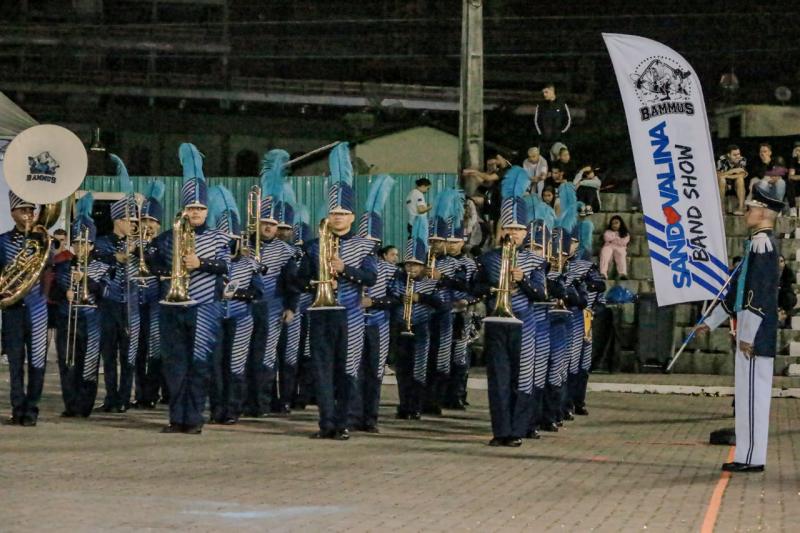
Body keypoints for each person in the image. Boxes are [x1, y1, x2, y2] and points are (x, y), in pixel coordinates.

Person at [695, 184, 783, 472]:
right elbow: (736, 292)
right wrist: (710, 321)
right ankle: (746, 455)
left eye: (751, 208)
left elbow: (760, 295)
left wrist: (747, 334)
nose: (746, 212)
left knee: (754, 397)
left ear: (762, 213)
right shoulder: (755, 244)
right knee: (746, 396)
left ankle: (754, 457)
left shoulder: (763, 245)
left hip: (755, 331)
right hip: (749, 329)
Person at [146, 143, 230, 434]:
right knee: (174, 366)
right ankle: (176, 417)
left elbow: (225, 267)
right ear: (184, 209)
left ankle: (193, 418)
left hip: (205, 307)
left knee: (199, 364)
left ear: (207, 211)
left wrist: (200, 262)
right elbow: (152, 265)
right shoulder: (168, 237)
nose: (196, 212)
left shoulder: (220, 238)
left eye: (200, 208)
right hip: (172, 307)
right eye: (191, 208)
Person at [299, 142, 377, 440]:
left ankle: (342, 422)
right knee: (321, 371)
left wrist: (344, 270)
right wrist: (319, 279)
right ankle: (325, 423)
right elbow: (302, 276)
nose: (338, 218)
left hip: (351, 315)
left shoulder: (365, 245)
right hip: (320, 311)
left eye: (343, 213)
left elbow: (370, 277)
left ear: (352, 217)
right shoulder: (315, 244)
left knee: (346, 371)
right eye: (334, 213)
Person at [472, 166, 547, 447]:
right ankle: (500, 430)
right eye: (508, 228)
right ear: (499, 228)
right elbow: (475, 288)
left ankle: (517, 429)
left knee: (522, 378)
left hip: (524, 325)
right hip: (496, 323)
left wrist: (523, 280)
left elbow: (541, 294)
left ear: (526, 232)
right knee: (498, 381)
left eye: (518, 229)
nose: (513, 233)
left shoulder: (535, 262)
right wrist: (490, 289)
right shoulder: (488, 259)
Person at [245, 149, 299, 417]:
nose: (268, 228)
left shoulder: (286, 251)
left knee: (266, 356)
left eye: (272, 224)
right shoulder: (244, 245)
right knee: (242, 354)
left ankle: (261, 404)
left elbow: (292, 283)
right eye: (264, 223)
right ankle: (243, 401)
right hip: (244, 307)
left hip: (273, 307)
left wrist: (291, 306)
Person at [206, 185, 263, 425]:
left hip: (241, 319)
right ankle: (216, 409)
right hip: (215, 318)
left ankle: (232, 410)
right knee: (215, 365)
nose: (230, 245)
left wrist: (237, 293)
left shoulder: (250, 264)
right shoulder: (209, 261)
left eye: (234, 240)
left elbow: (258, 292)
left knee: (236, 364)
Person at [54, 194, 110, 418]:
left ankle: (84, 405)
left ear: (92, 244)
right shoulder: (64, 265)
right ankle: (70, 404)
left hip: (92, 319)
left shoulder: (102, 265)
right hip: (67, 317)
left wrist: (85, 281)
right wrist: (64, 293)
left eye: (85, 243)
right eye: (77, 243)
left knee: (88, 362)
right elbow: (54, 289)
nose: (80, 246)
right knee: (67, 361)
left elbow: (106, 291)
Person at [349, 174, 397, 432]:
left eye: (372, 241)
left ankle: (371, 418)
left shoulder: (389, 270)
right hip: (355, 323)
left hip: (378, 325)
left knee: (375, 372)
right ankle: (353, 415)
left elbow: (396, 298)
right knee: (352, 370)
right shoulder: (352, 263)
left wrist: (374, 301)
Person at [94, 155, 140, 413]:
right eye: (128, 220)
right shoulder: (103, 242)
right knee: (109, 355)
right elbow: (97, 259)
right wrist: (117, 257)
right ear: (117, 220)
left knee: (130, 355)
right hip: (110, 304)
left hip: (132, 303)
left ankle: (124, 398)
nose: (133, 224)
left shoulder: (140, 245)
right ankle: (111, 397)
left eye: (134, 220)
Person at [1, 193, 50, 426]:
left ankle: (32, 409)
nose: (29, 215)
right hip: (12, 309)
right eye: (23, 211)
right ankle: (17, 408)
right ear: (13, 213)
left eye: (31, 210)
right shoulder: (2, 241)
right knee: (15, 362)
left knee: (38, 361)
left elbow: (52, 272)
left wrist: (48, 245)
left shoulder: (42, 241)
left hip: (38, 308)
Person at [390, 216, 442, 420]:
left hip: (421, 328)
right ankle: (404, 404)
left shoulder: (430, 283)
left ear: (423, 266)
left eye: (415, 266)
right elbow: (392, 296)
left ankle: (417, 405)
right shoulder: (397, 279)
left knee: (419, 368)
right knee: (402, 369)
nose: (411, 269)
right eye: (408, 265)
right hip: (401, 327)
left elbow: (440, 303)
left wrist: (421, 297)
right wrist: (399, 299)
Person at [132, 180, 165, 409]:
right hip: (136, 301)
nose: (148, 226)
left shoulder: (164, 243)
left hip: (157, 302)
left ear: (159, 225)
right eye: (144, 221)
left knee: (155, 348)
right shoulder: (132, 244)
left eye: (152, 222)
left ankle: (152, 393)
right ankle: (140, 393)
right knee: (137, 349)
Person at [533, 83, 571, 148]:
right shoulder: (540, 105)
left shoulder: (562, 104)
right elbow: (536, 121)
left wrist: (561, 132)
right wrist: (540, 134)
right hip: (544, 141)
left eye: (546, 92)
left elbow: (568, 120)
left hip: (558, 140)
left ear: (552, 90)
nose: (544, 94)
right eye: (543, 92)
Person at [716, 144, 748, 216]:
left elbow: (742, 174)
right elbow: (718, 175)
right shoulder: (721, 160)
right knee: (722, 180)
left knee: (740, 179)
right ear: (728, 155)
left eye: (738, 154)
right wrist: (734, 170)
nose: (738, 156)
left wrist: (726, 175)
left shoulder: (742, 159)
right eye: (735, 155)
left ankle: (740, 208)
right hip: (724, 184)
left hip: (735, 184)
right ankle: (721, 207)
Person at [599, 215, 630, 279]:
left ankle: (622, 273)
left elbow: (624, 242)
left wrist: (613, 239)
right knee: (605, 254)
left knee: (621, 255)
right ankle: (603, 273)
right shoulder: (608, 232)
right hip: (608, 246)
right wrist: (617, 239)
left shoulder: (625, 233)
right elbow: (607, 238)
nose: (614, 225)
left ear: (620, 223)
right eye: (612, 223)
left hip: (620, 248)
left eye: (616, 223)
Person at [778, 255, 796, 329]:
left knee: (788, 297)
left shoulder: (788, 271)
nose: (780, 263)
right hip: (776, 295)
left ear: (784, 262)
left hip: (787, 296)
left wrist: (780, 287)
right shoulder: (771, 272)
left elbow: (789, 284)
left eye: (781, 261)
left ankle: (788, 323)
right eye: (778, 261)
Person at [787, 143, 800, 213]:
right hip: (796, 186)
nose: (799, 153)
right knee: (789, 182)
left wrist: (796, 177)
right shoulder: (793, 161)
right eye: (797, 151)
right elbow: (790, 176)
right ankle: (792, 208)